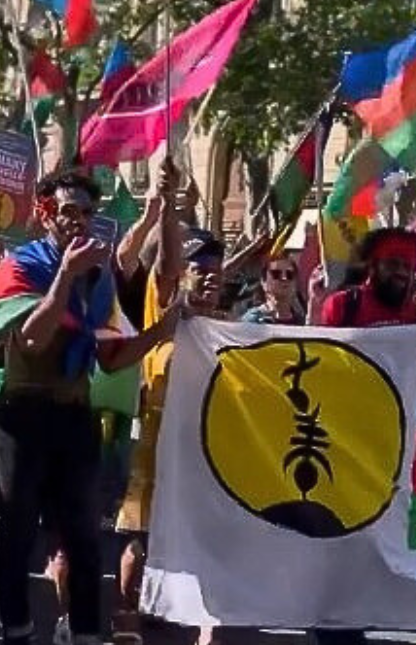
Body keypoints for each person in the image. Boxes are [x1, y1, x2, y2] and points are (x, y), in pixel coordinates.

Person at [0, 170, 178, 645]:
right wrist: (65, 275)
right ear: (44, 215)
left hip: (75, 417)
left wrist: (159, 334)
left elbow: (111, 355)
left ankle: (83, 633)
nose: (78, 222)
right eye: (67, 212)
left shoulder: (97, 281)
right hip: (22, 417)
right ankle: (15, 628)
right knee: (14, 536)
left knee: (84, 538)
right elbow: (33, 338)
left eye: (87, 213)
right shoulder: (19, 265)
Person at [113, 159, 228, 643]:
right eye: (198, 270)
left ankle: (207, 629)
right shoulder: (165, 303)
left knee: (210, 537)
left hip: (206, 444)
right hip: (157, 437)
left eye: (214, 272)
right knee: (142, 538)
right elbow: (165, 263)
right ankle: (127, 620)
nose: (207, 279)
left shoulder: (227, 324)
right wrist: (168, 206)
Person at [310, 228, 416, 645]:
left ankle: (354, 619)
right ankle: (331, 627)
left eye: (408, 268)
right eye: (394, 264)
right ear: (374, 266)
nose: (401, 274)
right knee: (340, 539)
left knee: (374, 542)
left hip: (389, 447)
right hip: (341, 444)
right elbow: (319, 356)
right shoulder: (345, 305)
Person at [241, 252, 304, 325]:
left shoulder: (301, 323)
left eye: (289, 274)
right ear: (264, 282)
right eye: (276, 274)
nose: (284, 278)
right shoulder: (252, 321)